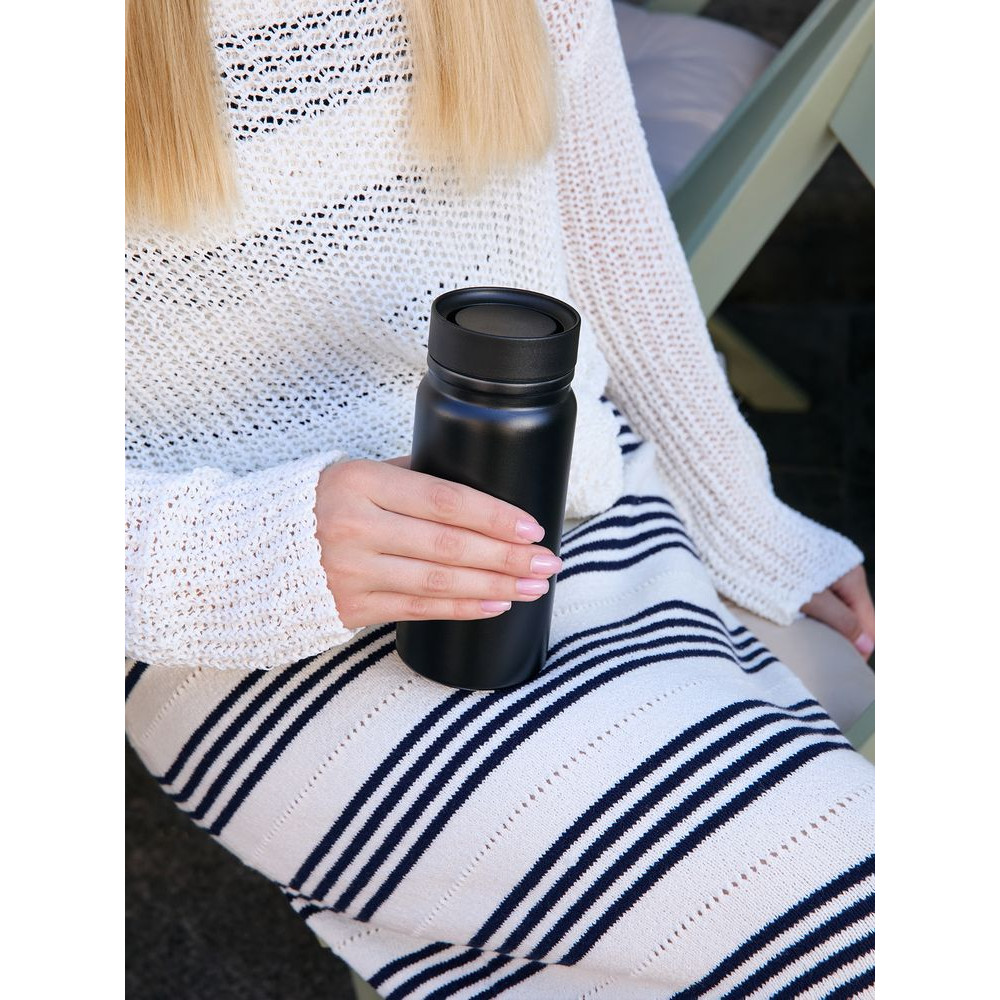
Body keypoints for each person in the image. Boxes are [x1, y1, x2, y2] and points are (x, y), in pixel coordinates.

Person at [125, 0, 875, 995]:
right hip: (245, 635)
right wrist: (251, 553)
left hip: (576, 515)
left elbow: (618, 258)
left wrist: (748, 520)